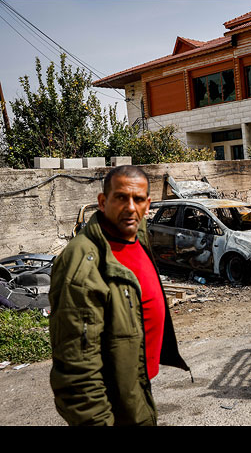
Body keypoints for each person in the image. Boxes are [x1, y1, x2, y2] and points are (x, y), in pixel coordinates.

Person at [49, 165, 190, 426]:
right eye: (120, 198)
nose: (130, 207)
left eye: (138, 200)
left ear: (148, 206)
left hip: (135, 383)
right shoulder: (82, 263)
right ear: (102, 202)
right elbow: (77, 372)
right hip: (113, 399)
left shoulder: (137, 233)